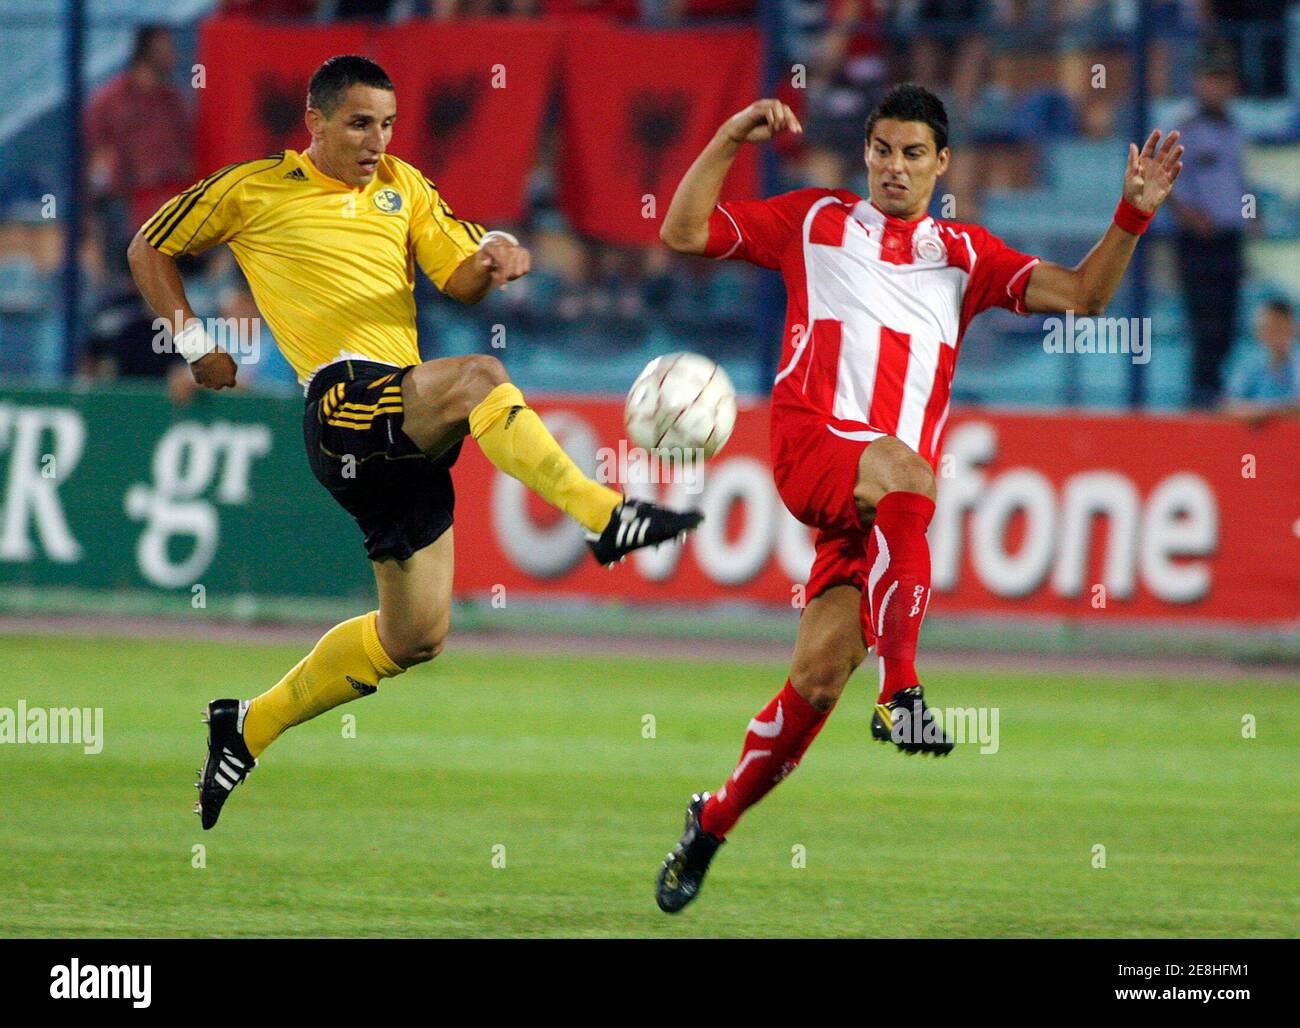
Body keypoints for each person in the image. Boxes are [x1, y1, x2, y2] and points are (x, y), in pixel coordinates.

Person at [126, 55, 700, 831]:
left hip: (400, 423)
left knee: (415, 636)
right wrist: (194, 344)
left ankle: (245, 726)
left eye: (387, 124)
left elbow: (456, 275)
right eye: (361, 123)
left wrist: (491, 260)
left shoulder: (405, 186)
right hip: (343, 405)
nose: (377, 140)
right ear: (316, 121)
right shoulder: (255, 188)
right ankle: (604, 515)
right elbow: (147, 247)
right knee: (479, 377)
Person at [653, 84, 1183, 912]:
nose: (893, 168)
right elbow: (682, 229)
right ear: (863, 154)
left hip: (882, 508)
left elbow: (1085, 297)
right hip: (816, 445)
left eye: (911, 154)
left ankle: (710, 822)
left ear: (942, 163)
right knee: (909, 469)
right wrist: (728, 135)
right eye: (881, 151)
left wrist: (1132, 214)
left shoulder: (966, 256)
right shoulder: (814, 220)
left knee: (818, 682)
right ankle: (903, 695)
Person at [1169, 47, 1247, 407]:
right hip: (1199, 241)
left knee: (1228, 327)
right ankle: (1200, 401)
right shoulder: (1186, 127)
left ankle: (1214, 397)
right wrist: (1191, 217)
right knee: (1204, 325)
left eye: (1224, 80)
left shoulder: (1233, 128)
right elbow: (1168, 184)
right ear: (1199, 82)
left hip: (1230, 238)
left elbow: (1239, 182)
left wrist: (1250, 216)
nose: (1218, 87)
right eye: (1211, 79)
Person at [1221, 299, 1299, 424]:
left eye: (1280, 326)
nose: (1275, 333)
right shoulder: (1247, 362)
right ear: (1259, 331)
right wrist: (1278, 410)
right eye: (1269, 327)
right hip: (1255, 440)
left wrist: (1264, 412)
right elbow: (1230, 406)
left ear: (1293, 328)